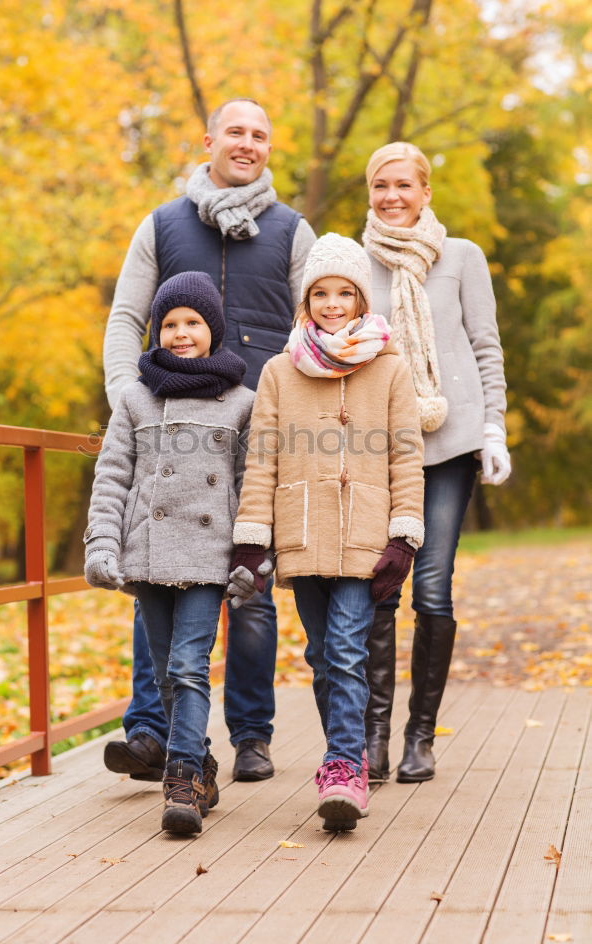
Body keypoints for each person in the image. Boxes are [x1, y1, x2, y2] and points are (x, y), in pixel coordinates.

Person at [102, 98, 316, 783]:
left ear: (269, 147)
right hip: (167, 437)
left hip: (253, 439)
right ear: (209, 140)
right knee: (156, 578)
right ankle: (150, 733)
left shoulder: (291, 231)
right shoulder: (163, 224)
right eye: (236, 132)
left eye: (260, 133)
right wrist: (128, 407)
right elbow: (126, 317)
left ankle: (252, 734)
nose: (247, 143)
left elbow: (315, 327)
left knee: (250, 590)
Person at [229, 233, 425, 830]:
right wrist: (251, 537)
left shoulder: (390, 369)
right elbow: (261, 457)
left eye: (345, 292)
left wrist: (403, 537)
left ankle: (343, 767)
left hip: (367, 537)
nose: (333, 303)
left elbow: (406, 456)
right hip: (301, 531)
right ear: (305, 300)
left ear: (362, 301)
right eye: (321, 293)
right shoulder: (278, 372)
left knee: (344, 650)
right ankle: (349, 757)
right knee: (323, 654)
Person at [360, 141, 510, 784]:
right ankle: (372, 738)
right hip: (379, 447)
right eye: (380, 187)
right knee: (379, 589)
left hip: (448, 446)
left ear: (425, 192)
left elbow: (485, 346)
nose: (392, 197)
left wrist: (494, 428)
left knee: (432, 588)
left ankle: (421, 735)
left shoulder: (462, 257)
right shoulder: (352, 261)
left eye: (403, 186)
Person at [84, 272, 254, 834]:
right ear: (157, 332)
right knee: (163, 673)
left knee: (188, 667)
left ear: (214, 330)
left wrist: (255, 555)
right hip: (149, 553)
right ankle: (201, 761)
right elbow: (112, 476)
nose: (182, 333)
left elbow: (252, 483)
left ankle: (180, 776)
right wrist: (103, 541)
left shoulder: (241, 402)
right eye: (171, 324)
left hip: (208, 554)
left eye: (193, 323)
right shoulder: (136, 397)